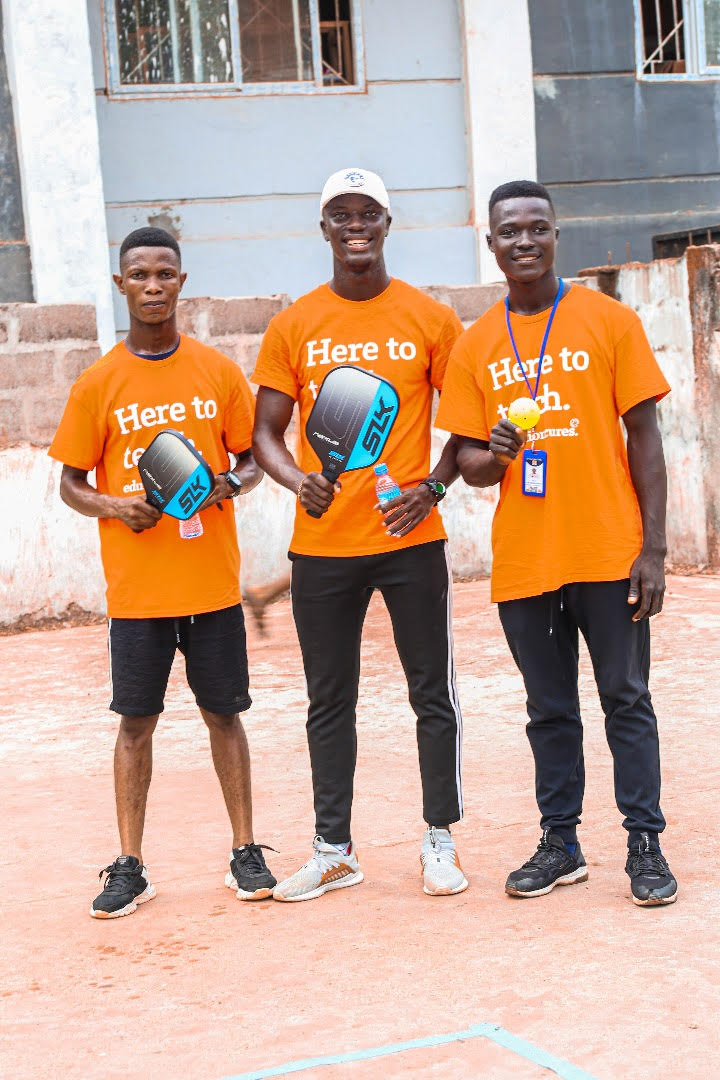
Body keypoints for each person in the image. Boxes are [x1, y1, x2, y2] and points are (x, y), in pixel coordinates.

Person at [435, 180, 677, 907]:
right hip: (526, 562)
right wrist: (499, 453)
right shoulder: (477, 344)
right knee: (549, 710)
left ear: (556, 235)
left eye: (537, 228)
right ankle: (561, 842)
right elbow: (471, 466)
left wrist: (654, 549)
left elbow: (647, 439)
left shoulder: (608, 320)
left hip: (608, 552)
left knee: (626, 699)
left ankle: (644, 842)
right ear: (492, 246)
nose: (525, 241)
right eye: (510, 231)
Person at [252, 167, 467, 901]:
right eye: (340, 214)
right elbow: (265, 434)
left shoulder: (431, 319)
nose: (355, 225)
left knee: (430, 693)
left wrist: (432, 487)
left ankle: (439, 839)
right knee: (328, 701)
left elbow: (465, 424)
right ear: (324, 229)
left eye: (368, 212)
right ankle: (333, 849)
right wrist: (294, 479)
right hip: (323, 547)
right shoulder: (295, 324)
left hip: (411, 539)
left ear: (386, 223)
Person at [49, 227, 276, 918]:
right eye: (139, 275)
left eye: (165, 274)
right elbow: (68, 482)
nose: (153, 285)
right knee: (135, 725)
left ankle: (245, 849)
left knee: (224, 716)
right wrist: (116, 505)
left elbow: (251, 459)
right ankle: (130, 864)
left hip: (210, 586)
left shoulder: (215, 371)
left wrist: (226, 488)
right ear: (121, 285)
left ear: (182, 283)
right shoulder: (98, 384)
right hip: (139, 594)